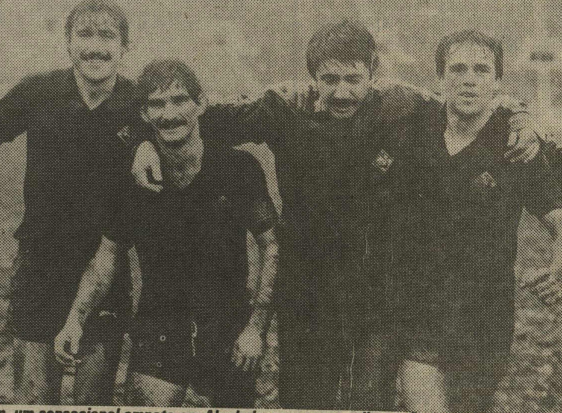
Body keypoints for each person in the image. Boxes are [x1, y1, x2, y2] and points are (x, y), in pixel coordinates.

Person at [130, 21, 540, 410]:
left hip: (377, 292)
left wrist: (520, 116)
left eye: (353, 79)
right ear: (312, 78)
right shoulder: (284, 109)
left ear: (373, 73)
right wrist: (143, 142)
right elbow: (197, 118)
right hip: (307, 289)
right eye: (329, 79)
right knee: (305, 399)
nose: (342, 92)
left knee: (369, 399)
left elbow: (471, 102)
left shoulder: (401, 106)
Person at [55, 59, 279, 408]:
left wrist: (256, 328)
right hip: (159, 322)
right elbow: (106, 257)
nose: (169, 114)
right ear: (144, 115)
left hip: (226, 324)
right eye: (157, 104)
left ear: (201, 104)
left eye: (179, 100)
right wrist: (74, 320)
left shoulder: (237, 168)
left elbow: (272, 246)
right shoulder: (132, 179)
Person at [388, 30, 562, 413]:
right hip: (420, 306)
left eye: (481, 70)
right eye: (458, 69)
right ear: (440, 78)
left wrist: (556, 265)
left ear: (497, 82)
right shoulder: (413, 130)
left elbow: (557, 217)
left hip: (484, 313)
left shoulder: (517, 146)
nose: (469, 79)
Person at [0, 0, 139, 404]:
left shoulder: (137, 102)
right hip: (40, 263)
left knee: (93, 397)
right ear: (68, 42)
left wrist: (148, 145)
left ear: (124, 46)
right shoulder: (39, 91)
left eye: (107, 36)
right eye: (85, 34)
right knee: (32, 396)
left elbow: (187, 127)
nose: (95, 47)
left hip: (105, 266)